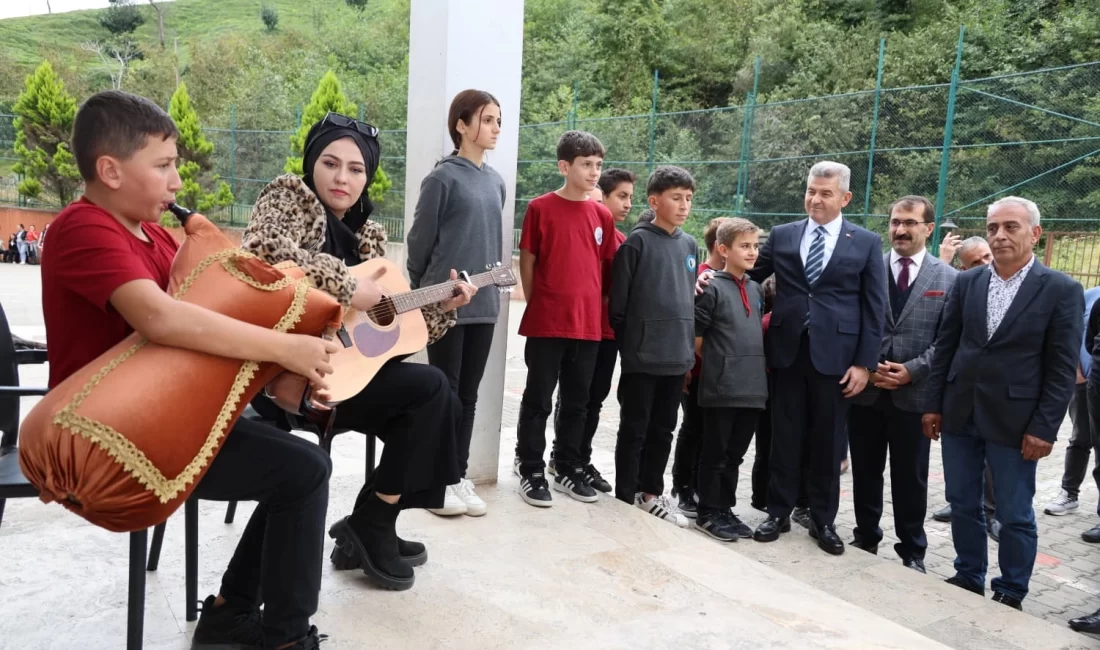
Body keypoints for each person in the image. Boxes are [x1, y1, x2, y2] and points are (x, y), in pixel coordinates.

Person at [43, 90, 335, 650]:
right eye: (164, 165)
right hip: (116, 434)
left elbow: (200, 328)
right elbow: (161, 320)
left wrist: (283, 382)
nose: (178, 182)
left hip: (170, 414)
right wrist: (284, 348)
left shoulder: (154, 235)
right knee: (302, 472)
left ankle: (230, 613)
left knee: (303, 463)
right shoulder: (81, 228)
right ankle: (282, 637)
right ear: (109, 170)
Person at [242, 112, 475, 592]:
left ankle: (374, 520)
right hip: (286, 377)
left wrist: (444, 305)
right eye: (330, 163)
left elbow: (389, 331)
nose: (342, 178)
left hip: (345, 376)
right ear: (312, 163)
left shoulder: (368, 232)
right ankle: (371, 526)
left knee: (436, 399)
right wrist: (348, 285)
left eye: (355, 169)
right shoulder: (288, 195)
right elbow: (262, 255)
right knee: (431, 394)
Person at [715, 161, 887, 556]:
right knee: (783, 436)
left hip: (838, 359)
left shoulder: (864, 242)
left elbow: (874, 307)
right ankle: (778, 512)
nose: (816, 198)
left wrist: (865, 364)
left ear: (844, 197)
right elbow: (749, 272)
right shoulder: (783, 235)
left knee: (828, 442)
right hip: (787, 352)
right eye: (811, 191)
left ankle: (823, 520)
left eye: (826, 193)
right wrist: (713, 275)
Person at [924, 196, 1082, 610]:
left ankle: (1011, 588)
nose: (999, 235)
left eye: (1011, 227)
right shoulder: (967, 282)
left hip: (1017, 422)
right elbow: (946, 347)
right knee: (962, 502)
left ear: (1035, 234)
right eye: (993, 227)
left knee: (1013, 513)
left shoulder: (1061, 290)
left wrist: (1045, 427)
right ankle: (968, 573)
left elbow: (1062, 368)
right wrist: (933, 404)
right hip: (960, 412)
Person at [406, 89, 507, 518]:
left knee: (467, 396)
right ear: (461, 126)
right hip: (443, 306)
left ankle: (456, 476)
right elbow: (418, 244)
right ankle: (434, 480)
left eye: (498, 121)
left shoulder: (496, 181)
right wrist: (426, 297)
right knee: (442, 395)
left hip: (484, 305)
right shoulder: (442, 179)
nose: (495, 128)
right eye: (486, 120)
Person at [847, 196, 958, 574]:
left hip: (915, 395)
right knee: (865, 470)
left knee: (911, 478)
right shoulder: (868, 268)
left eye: (910, 222)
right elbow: (853, 323)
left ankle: (913, 550)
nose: (900, 229)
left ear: (928, 228)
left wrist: (912, 369)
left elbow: (947, 341)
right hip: (867, 391)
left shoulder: (948, 278)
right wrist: (867, 366)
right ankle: (865, 536)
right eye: (895, 221)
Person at [514, 130, 616, 507]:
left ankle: (568, 466)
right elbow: (529, 259)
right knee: (538, 399)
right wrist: (539, 302)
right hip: (546, 322)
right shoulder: (540, 208)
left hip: (587, 326)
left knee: (577, 400)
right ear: (564, 166)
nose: (594, 173)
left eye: (598, 165)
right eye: (586, 165)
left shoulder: (602, 214)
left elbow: (604, 269)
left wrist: (591, 307)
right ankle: (530, 468)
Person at [609, 165, 698, 526]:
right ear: (654, 201)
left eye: (688, 199)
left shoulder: (690, 244)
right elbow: (619, 309)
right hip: (642, 359)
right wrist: (635, 348)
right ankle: (624, 493)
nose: (683, 206)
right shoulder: (637, 243)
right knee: (635, 428)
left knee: (664, 429)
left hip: (676, 359)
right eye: (676, 198)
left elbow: (686, 300)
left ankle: (650, 493)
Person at [548, 167, 637, 493]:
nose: (627, 204)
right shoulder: (587, 228)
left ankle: (580, 458)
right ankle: (562, 457)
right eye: (621, 197)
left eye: (630, 197)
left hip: (608, 333)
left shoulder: (624, 241)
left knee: (595, 400)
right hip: (584, 330)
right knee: (575, 398)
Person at [692, 218, 767, 541]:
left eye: (755, 246)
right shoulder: (710, 287)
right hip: (722, 387)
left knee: (735, 454)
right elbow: (696, 337)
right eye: (744, 246)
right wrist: (721, 364)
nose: (752, 252)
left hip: (752, 388)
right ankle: (708, 511)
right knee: (716, 452)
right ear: (723, 250)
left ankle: (725, 507)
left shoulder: (755, 288)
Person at [671, 216, 727, 516]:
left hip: (720, 374)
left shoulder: (735, 279)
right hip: (698, 371)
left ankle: (697, 484)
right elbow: (691, 332)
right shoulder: (702, 279)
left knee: (708, 432)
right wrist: (688, 368)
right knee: (692, 429)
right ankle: (682, 487)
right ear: (721, 247)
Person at [1042, 286, 1100, 520]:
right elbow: (1076, 335)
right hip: (1086, 381)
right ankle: (1069, 493)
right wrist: (1078, 372)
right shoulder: (1090, 296)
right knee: (1079, 439)